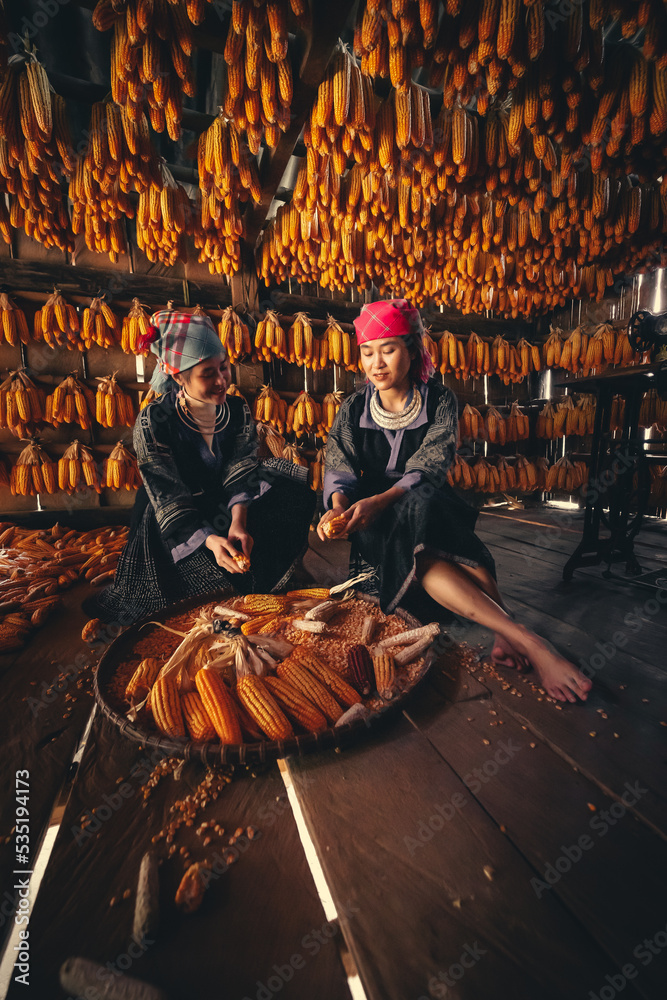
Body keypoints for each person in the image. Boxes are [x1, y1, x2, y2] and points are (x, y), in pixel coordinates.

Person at [317, 299, 592, 704]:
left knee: (423, 505)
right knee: (423, 541)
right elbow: (337, 462)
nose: (377, 362)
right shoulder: (353, 408)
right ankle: (525, 639)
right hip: (374, 519)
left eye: (389, 348)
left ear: (412, 349)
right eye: (367, 351)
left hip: (425, 498)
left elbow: (431, 463)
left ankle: (510, 632)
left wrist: (385, 498)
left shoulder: (440, 400)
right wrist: (339, 506)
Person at [89, 308, 315, 626]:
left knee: (289, 484)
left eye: (223, 368)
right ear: (179, 376)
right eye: (207, 373)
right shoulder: (154, 420)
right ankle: (209, 580)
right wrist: (211, 540)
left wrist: (238, 523)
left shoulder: (236, 410)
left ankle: (258, 576)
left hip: (219, 497)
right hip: (173, 511)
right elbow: (168, 494)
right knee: (181, 585)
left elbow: (242, 468)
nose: (222, 381)